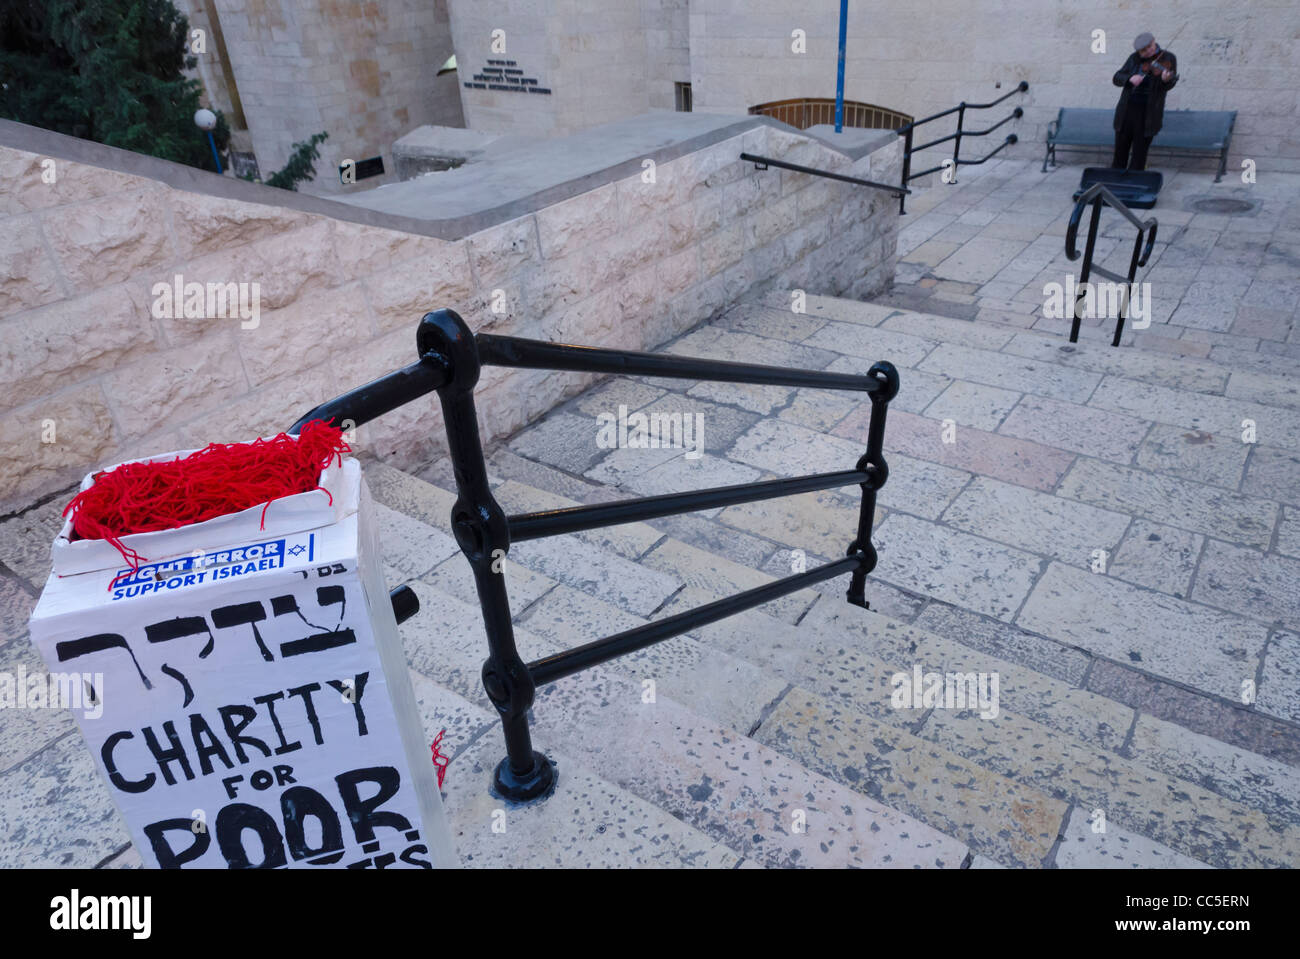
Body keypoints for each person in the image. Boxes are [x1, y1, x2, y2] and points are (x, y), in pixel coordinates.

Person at [1112, 31, 1178, 170]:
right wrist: (1129, 79)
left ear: (1154, 41)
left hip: (1148, 114)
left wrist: (1166, 81)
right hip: (1127, 112)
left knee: (1139, 155)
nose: (1149, 51)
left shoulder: (1168, 58)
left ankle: (1134, 185)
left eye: (1150, 46)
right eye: (1144, 51)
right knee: (1120, 153)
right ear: (1138, 52)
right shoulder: (1134, 59)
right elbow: (1117, 77)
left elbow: (1168, 84)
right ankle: (1116, 182)